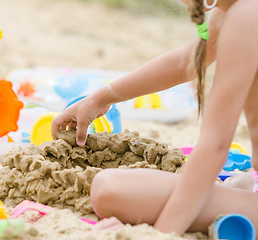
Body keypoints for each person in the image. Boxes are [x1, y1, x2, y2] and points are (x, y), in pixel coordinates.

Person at [51, 0, 258, 236]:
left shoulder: (246, 16)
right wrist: (99, 99)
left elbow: (215, 145)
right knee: (233, 186)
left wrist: (157, 233)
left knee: (110, 189)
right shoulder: (236, 11)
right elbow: (185, 62)